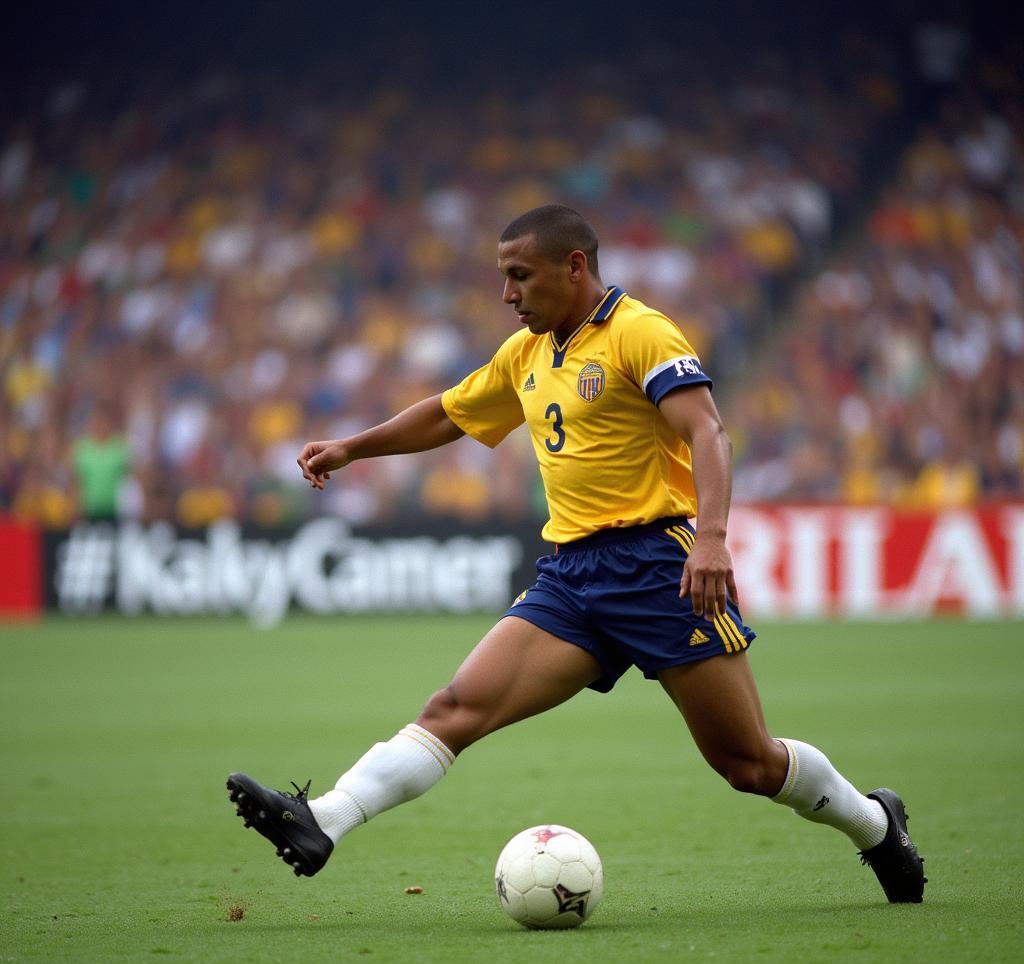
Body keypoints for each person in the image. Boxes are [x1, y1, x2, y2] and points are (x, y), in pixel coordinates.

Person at [227, 205, 926, 904]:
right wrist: (354, 447)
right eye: (504, 278)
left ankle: (874, 824)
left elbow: (708, 432)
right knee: (455, 707)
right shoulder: (527, 353)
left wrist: (710, 538)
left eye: (519, 276)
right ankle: (324, 819)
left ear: (574, 266)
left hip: (659, 568)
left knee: (746, 763)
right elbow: (448, 412)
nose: (508, 295)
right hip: (571, 575)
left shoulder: (639, 333)